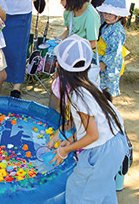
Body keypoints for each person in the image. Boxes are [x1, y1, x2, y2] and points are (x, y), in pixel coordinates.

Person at [50, 34, 127, 203]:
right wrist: (71, 140)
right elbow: (93, 127)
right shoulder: (88, 85)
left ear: (58, 67)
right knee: (103, 187)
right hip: (116, 143)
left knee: (80, 192)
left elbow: (93, 135)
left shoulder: (78, 96)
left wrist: (64, 150)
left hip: (102, 151)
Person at [49, 0, 100, 109]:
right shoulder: (69, 12)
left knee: (75, 94)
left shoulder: (91, 15)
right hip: (68, 57)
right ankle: (52, 115)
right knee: (57, 86)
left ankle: (70, 117)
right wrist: (59, 39)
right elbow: (68, 31)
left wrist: (72, 47)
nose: (61, 3)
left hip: (81, 60)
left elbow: (93, 43)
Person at [96, 0, 129, 97]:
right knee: (99, 88)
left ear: (119, 15)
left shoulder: (117, 31)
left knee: (107, 92)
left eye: (110, 14)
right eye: (105, 13)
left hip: (110, 65)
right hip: (102, 59)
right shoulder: (108, 25)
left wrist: (104, 63)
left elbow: (115, 51)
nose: (106, 16)